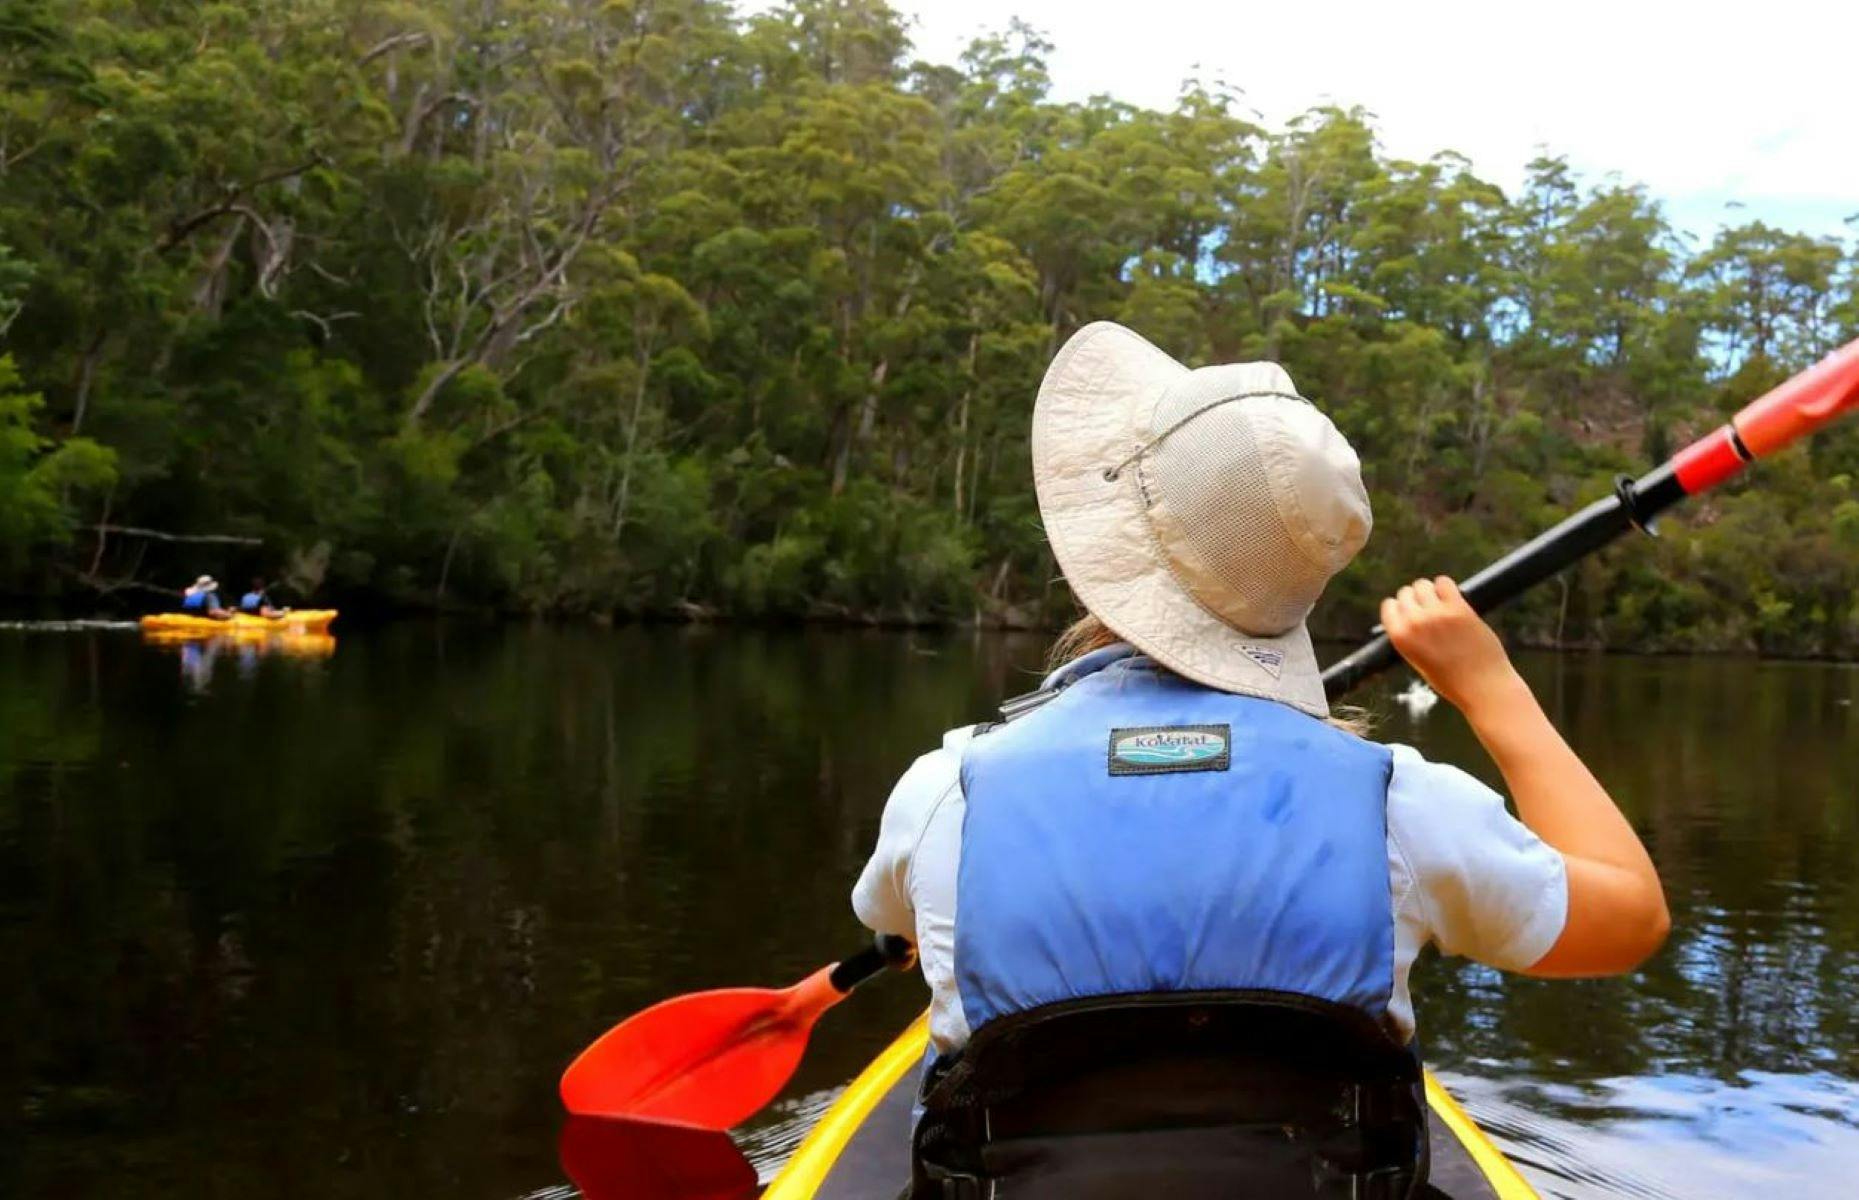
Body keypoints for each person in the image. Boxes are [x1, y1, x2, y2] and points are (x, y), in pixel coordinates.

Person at [851, 322, 1669, 1196]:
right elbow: (1632, 917)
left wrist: (905, 935)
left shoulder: (948, 793)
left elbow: (889, 916)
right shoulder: (1398, 803)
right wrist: (1491, 688)